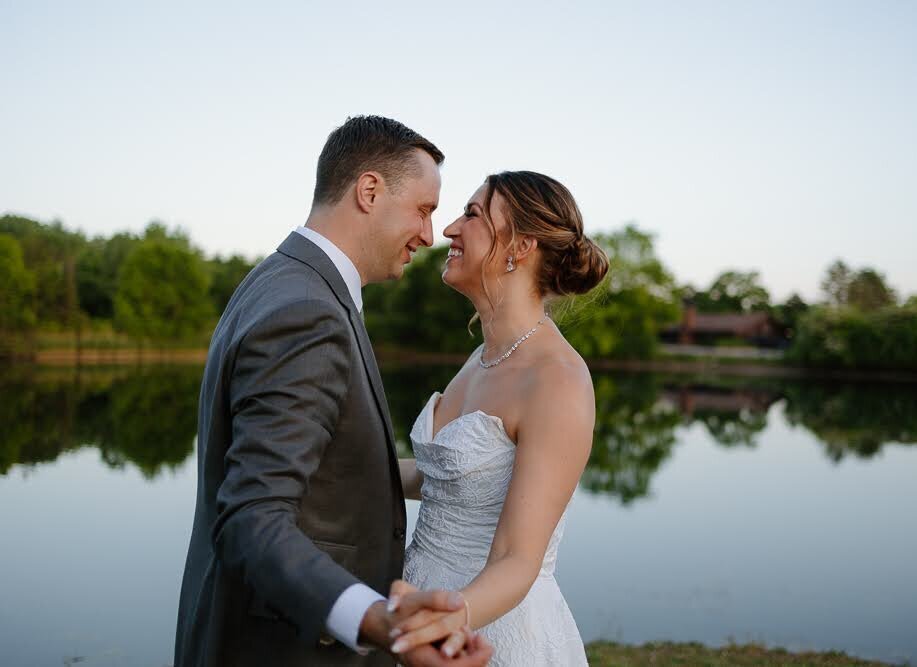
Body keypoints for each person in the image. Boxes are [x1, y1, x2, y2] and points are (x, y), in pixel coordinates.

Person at [174, 115, 493, 667]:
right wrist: (374, 620)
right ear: (369, 191)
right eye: (423, 209)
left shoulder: (281, 279)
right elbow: (253, 516)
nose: (428, 233)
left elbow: (327, 473)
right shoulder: (308, 312)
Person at [391, 171, 609, 665]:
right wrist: (341, 473)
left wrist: (448, 617)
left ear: (521, 245)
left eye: (472, 215)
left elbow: (518, 559)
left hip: (491, 631)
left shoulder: (557, 379)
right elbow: (443, 481)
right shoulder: (483, 356)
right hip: (420, 605)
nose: (448, 229)